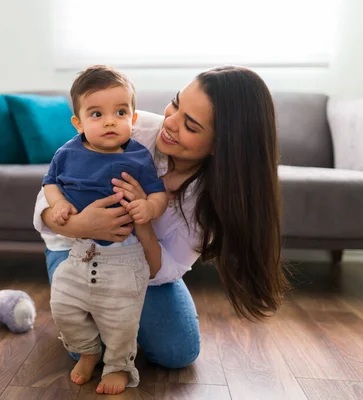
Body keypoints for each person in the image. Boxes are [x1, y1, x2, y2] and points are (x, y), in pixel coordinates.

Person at [33, 65, 289, 392]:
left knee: (178, 351)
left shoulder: (212, 203)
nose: (169, 123)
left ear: (219, 145)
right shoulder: (130, 128)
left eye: (190, 125)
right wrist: (79, 225)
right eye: (176, 103)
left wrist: (144, 225)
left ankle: (115, 332)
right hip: (77, 250)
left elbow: (165, 270)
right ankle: (99, 326)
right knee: (82, 345)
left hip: (140, 268)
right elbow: (49, 193)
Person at [43, 65, 169, 395]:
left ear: (133, 117)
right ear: (79, 122)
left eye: (120, 112)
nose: (110, 121)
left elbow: (158, 193)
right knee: (63, 305)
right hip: (79, 251)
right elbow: (50, 184)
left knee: (121, 319)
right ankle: (88, 350)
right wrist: (59, 206)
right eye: (97, 114)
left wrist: (149, 208)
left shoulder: (139, 156)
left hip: (125, 255)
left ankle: (118, 366)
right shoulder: (66, 153)